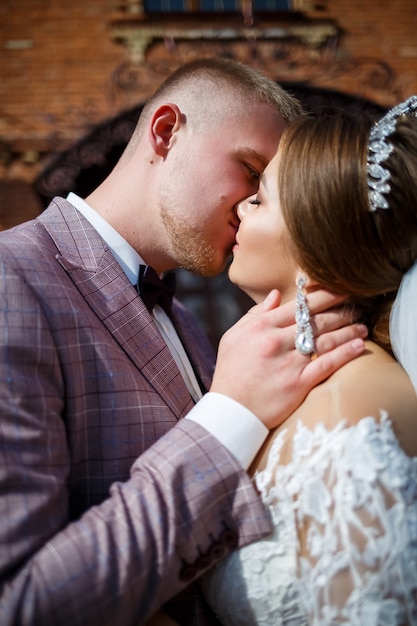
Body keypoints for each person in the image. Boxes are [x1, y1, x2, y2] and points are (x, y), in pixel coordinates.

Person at [0, 58, 367, 626]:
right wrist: (229, 415)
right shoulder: (11, 282)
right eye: (250, 170)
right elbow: (18, 604)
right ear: (167, 131)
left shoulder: (192, 325)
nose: (251, 208)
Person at [198, 97, 417, 624]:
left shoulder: (354, 411)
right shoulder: (277, 384)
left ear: (316, 247)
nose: (241, 205)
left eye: (262, 197)